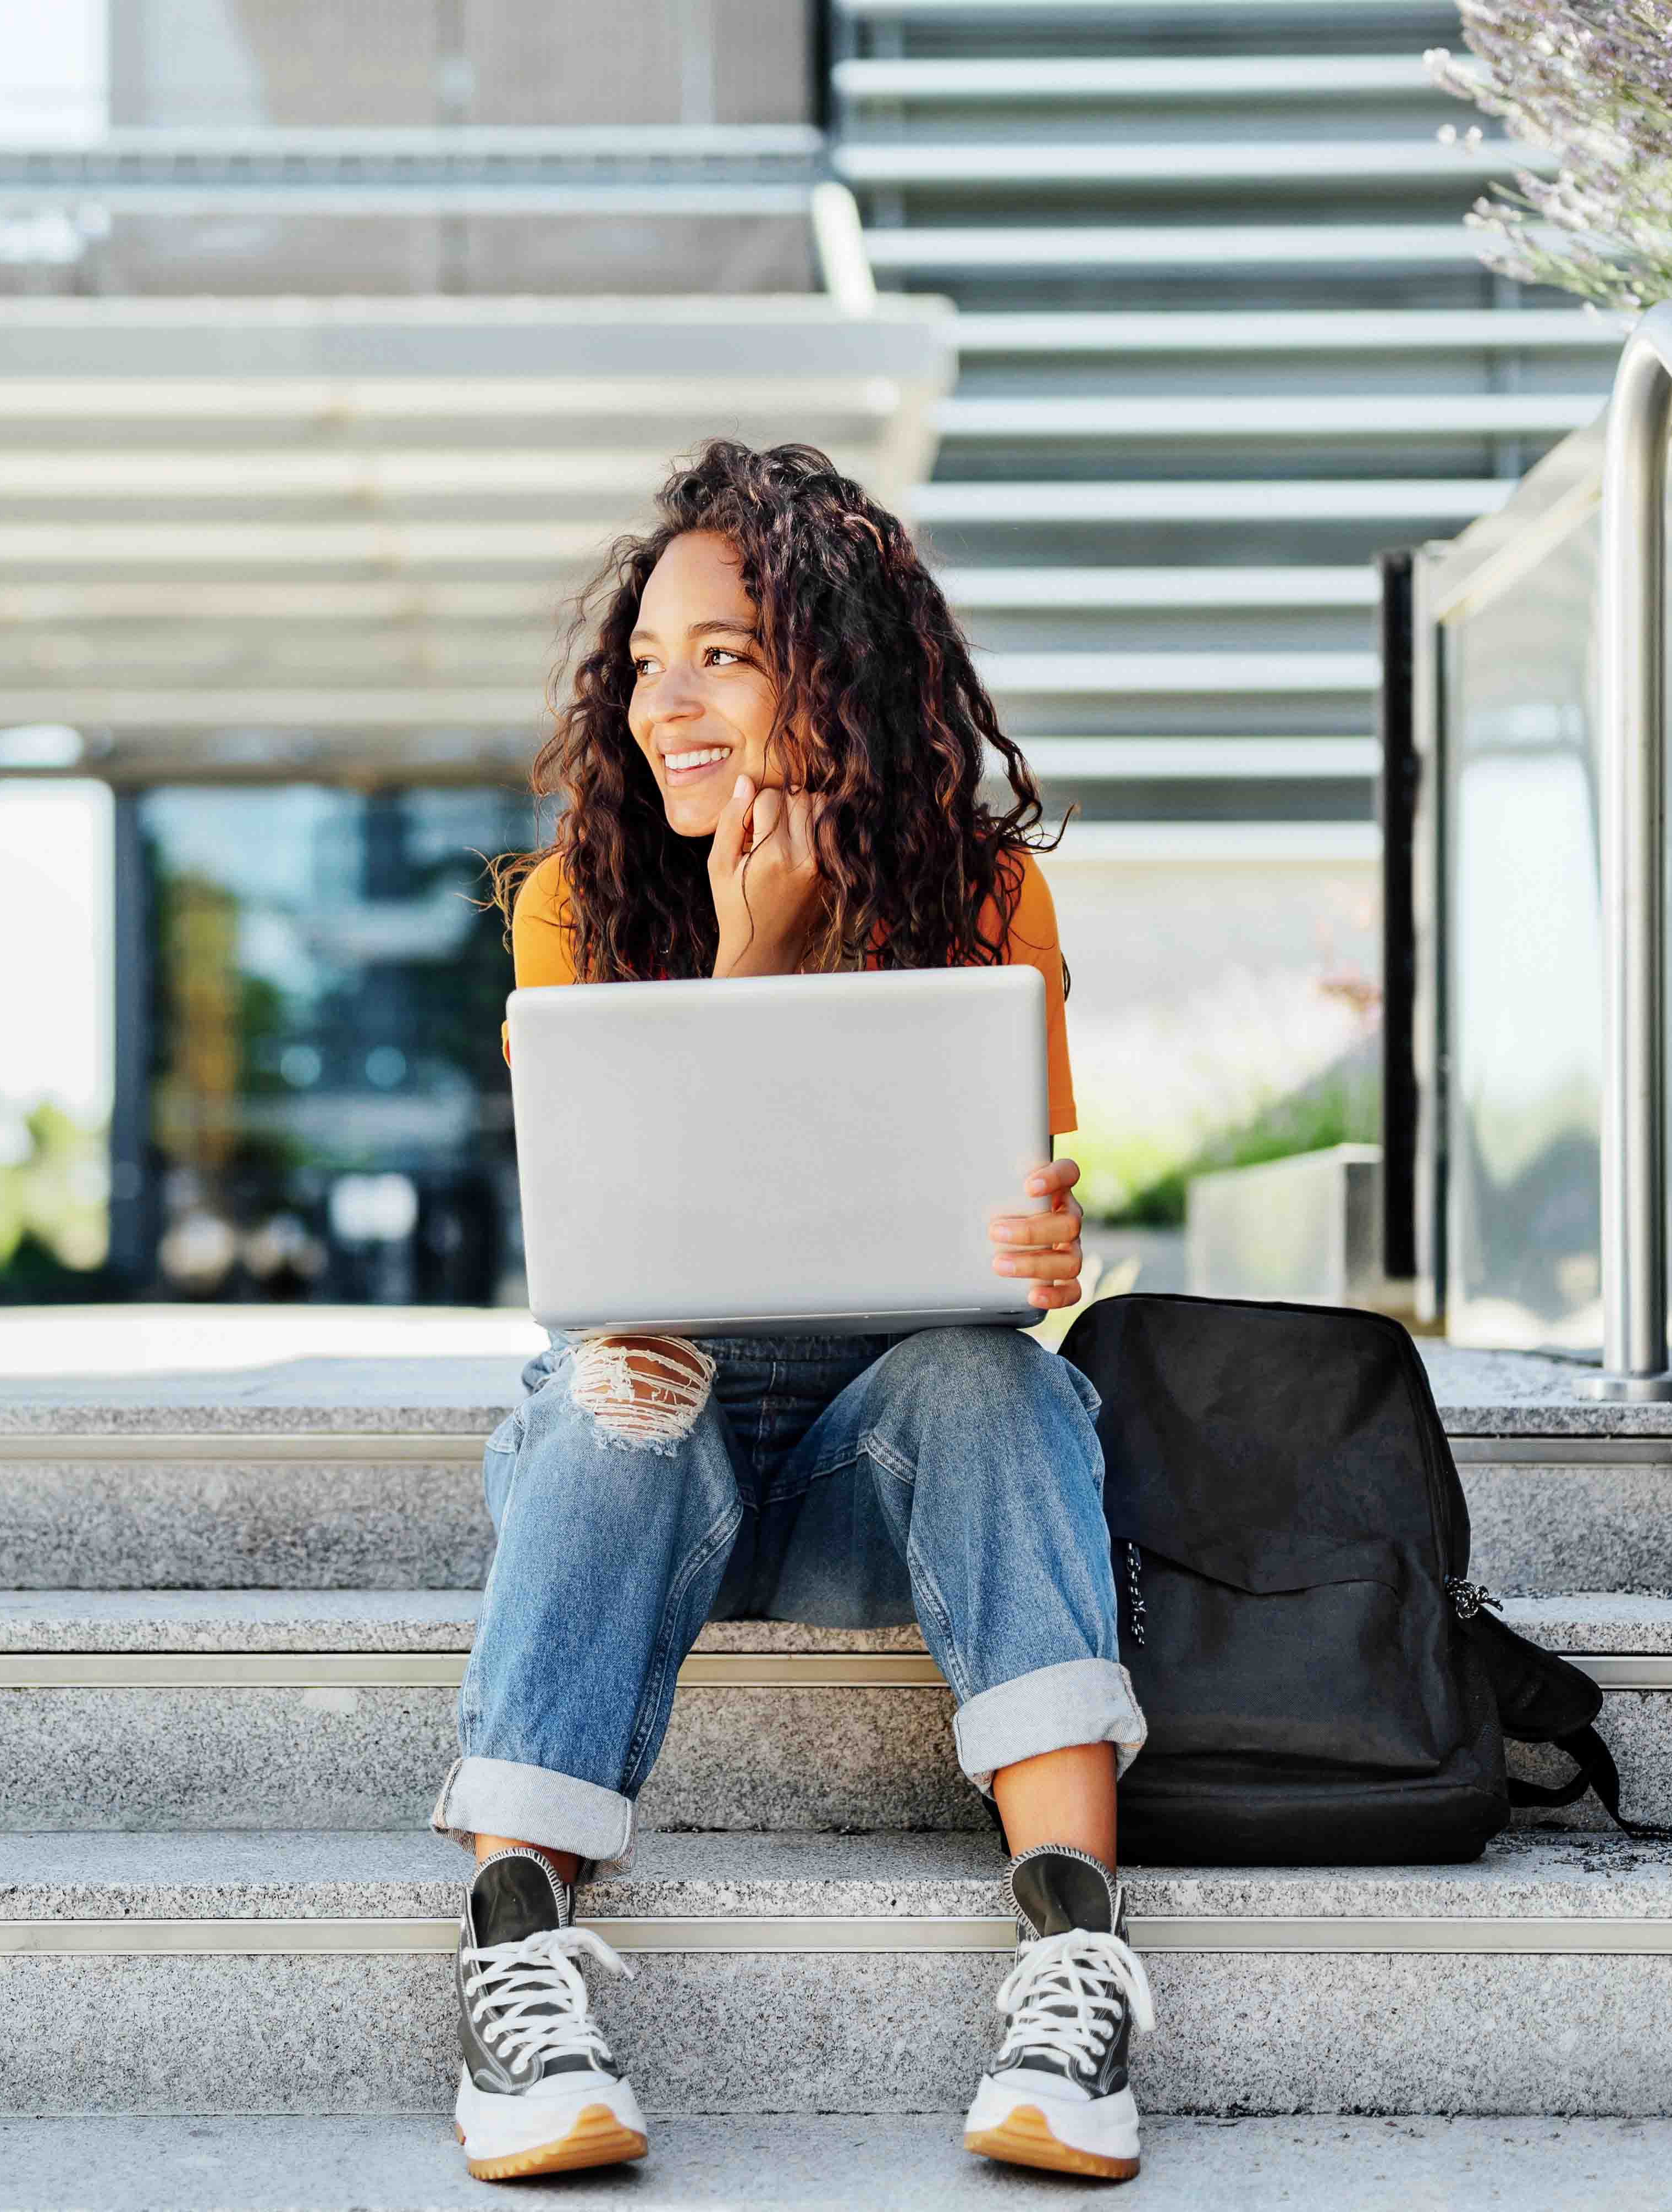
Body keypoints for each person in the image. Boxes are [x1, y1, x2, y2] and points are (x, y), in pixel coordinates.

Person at [445, 440, 1152, 2186]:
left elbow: (1014, 1213)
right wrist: (748, 958)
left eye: (724, 657)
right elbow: (627, 1257)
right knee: (624, 1382)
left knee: (990, 1376)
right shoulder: (574, 905)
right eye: (645, 667)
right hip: (644, 1474)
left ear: (835, 674)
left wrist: (1040, 1243)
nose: (664, 705)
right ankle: (516, 1971)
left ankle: (1075, 1970)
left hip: (874, 1484)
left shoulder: (987, 899)